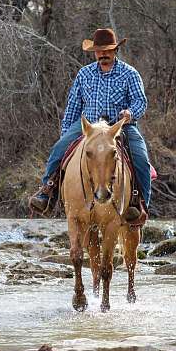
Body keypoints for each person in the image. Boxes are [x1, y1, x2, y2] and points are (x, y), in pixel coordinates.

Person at [29, 28, 151, 223]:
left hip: (119, 127)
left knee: (141, 159)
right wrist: (66, 134)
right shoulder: (84, 74)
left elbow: (140, 102)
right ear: (94, 52)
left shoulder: (130, 74)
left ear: (115, 50)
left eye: (107, 50)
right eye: (99, 51)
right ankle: (47, 190)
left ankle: (140, 203)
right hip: (89, 127)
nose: (103, 54)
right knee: (59, 149)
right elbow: (73, 106)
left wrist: (130, 113)